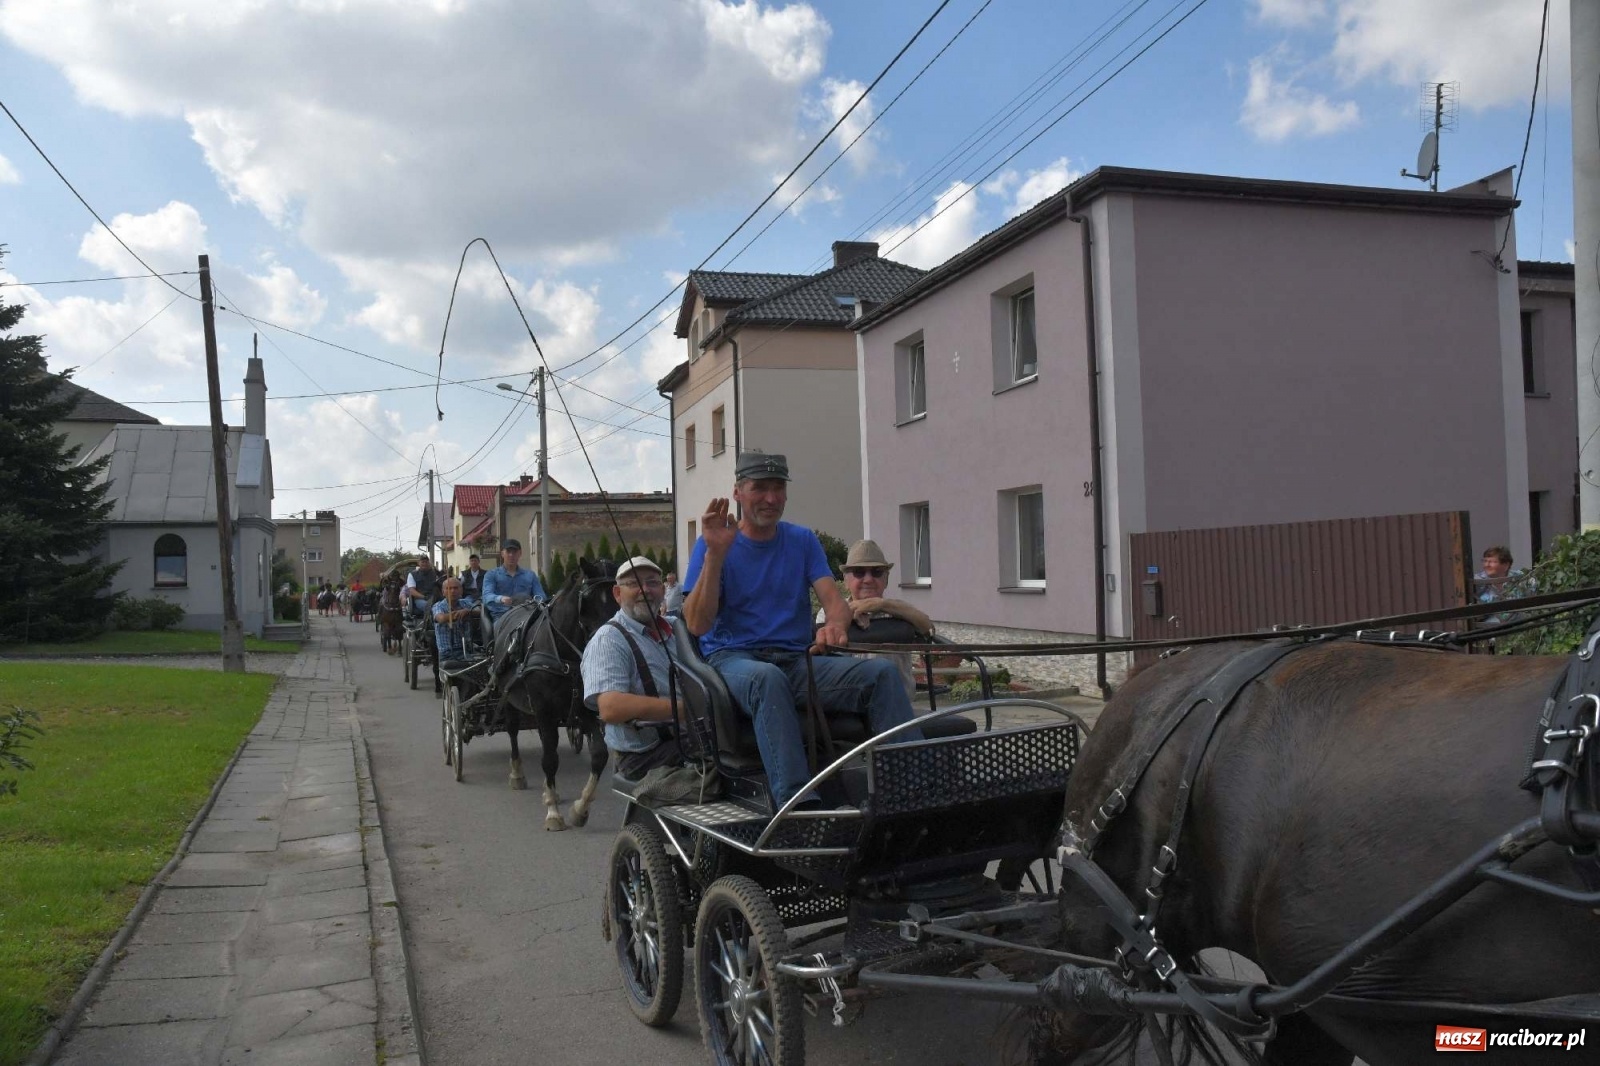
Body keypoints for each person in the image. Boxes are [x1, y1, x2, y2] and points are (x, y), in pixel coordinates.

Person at [682, 452, 921, 810]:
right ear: (737, 492)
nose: (771, 498)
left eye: (778, 488)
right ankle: (798, 804)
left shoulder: (802, 540)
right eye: (759, 488)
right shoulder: (712, 543)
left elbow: (834, 602)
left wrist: (836, 626)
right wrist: (715, 554)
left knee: (882, 674)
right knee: (766, 679)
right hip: (733, 660)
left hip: (796, 661)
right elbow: (697, 624)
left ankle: (918, 786)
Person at [580, 556, 686, 778]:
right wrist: (685, 709)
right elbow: (610, 707)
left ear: (663, 590)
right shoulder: (608, 639)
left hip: (688, 738)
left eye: (652, 582)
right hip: (645, 756)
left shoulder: (677, 629)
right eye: (634, 584)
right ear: (617, 595)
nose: (644, 590)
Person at [815, 539, 934, 700]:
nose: (868, 579)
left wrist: (881, 604)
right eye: (859, 572)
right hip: (846, 705)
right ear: (845, 580)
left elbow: (929, 629)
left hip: (895, 705)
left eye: (877, 572)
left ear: (886, 579)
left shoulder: (900, 612)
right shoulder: (828, 613)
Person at [483, 538, 547, 620]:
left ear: (520, 554)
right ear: (502, 553)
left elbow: (541, 596)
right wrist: (500, 598)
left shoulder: (530, 575)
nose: (511, 555)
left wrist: (534, 601)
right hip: (501, 616)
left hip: (526, 615)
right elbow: (486, 596)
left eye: (514, 552)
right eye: (508, 552)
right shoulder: (491, 575)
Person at [1475, 545, 1534, 625]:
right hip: (1490, 627)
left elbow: (1535, 593)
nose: (1487, 565)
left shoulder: (1519, 577)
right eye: (1485, 561)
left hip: (1519, 624)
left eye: (1492, 562)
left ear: (1506, 565)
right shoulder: (1477, 581)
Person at [432, 576, 480, 661]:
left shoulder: (466, 603)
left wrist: (468, 611)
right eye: (449, 588)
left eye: (455, 588)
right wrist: (456, 614)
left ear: (461, 590)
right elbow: (441, 618)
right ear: (443, 592)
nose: (453, 591)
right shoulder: (438, 606)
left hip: (468, 649)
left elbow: (481, 612)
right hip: (448, 652)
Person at [404, 555, 441, 620]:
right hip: (421, 599)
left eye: (426, 562)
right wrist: (424, 597)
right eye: (423, 562)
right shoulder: (412, 574)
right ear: (419, 563)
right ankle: (431, 624)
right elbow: (412, 591)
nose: (425, 564)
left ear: (429, 563)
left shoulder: (435, 573)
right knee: (429, 606)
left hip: (435, 598)